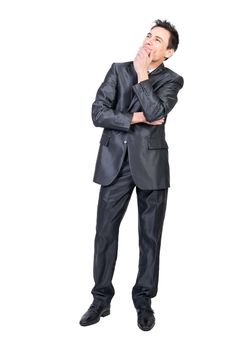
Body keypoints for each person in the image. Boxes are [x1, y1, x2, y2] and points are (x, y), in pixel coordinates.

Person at [79, 19, 184, 331]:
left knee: (150, 239)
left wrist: (141, 76)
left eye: (157, 40)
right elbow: (98, 113)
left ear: (169, 52)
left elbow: (157, 112)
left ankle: (143, 300)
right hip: (115, 164)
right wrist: (134, 116)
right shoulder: (116, 70)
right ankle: (101, 298)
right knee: (105, 234)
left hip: (151, 167)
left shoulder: (173, 80)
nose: (149, 42)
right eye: (148, 36)